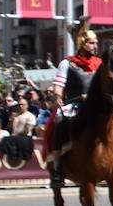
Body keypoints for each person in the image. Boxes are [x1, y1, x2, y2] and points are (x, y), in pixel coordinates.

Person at [43, 18, 105, 165]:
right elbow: (59, 84)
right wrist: (57, 96)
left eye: (96, 43)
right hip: (74, 103)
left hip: (96, 104)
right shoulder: (67, 63)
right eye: (91, 43)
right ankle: (57, 163)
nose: (95, 46)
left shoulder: (100, 63)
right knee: (59, 123)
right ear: (82, 44)